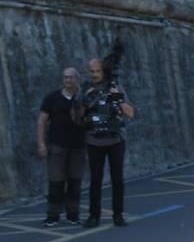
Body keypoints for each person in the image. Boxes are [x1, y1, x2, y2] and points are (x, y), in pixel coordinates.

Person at [75, 54, 135, 228]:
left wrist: (117, 97)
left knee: (118, 178)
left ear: (104, 71)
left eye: (98, 71)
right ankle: (94, 216)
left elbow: (130, 113)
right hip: (94, 140)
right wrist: (85, 101)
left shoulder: (115, 87)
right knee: (95, 179)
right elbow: (78, 117)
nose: (94, 74)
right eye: (92, 71)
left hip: (115, 139)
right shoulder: (86, 88)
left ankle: (118, 215)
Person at [38, 67, 85, 226]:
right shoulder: (52, 98)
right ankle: (53, 215)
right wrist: (41, 143)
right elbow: (42, 120)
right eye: (65, 77)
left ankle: (73, 214)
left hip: (78, 146)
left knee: (75, 181)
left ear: (77, 79)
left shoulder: (83, 97)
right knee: (56, 181)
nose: (68, 80)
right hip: (57, 146)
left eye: (71, 77)